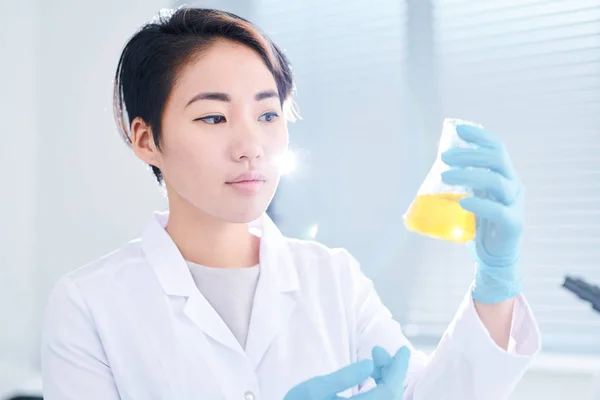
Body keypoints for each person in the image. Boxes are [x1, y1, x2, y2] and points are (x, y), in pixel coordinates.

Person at [40, 7, 541, 400]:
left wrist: (495, 280)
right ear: (146, 139)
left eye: (267, 114)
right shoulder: (89, 305)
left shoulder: (333, 279)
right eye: (214, 118)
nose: (250, 145)